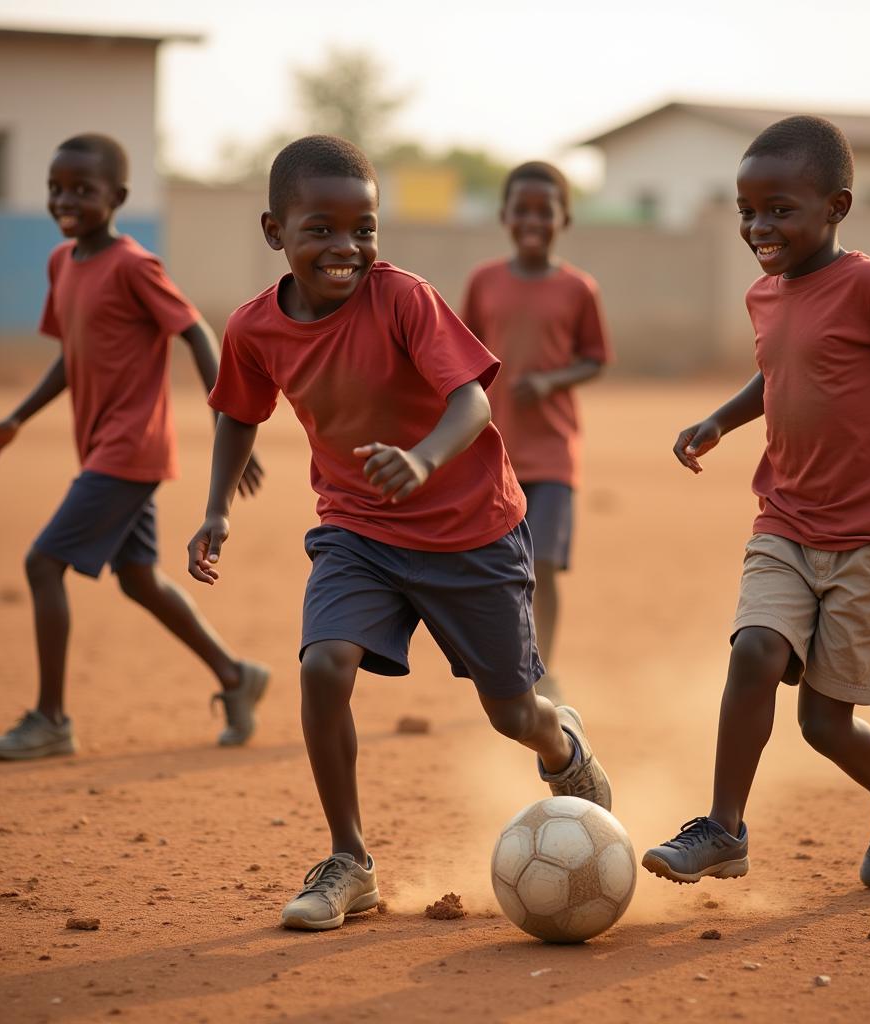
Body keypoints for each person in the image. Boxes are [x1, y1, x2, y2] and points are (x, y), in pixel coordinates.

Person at [185, 135, 612, 932]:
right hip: (358, 529)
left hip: (471, 529)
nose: (346, 247)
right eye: (321, 229)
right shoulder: (252, 329)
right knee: (323, 666)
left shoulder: (405, 298)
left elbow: (474, 402)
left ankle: (564, 748)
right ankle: (350, 860)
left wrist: (421, 461)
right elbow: (237, 412)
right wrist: (217, 508)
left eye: (364, 228)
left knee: (513, 713)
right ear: (275, 231)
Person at [643, 116, 870, 890]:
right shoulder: (763, 295)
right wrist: (720, 418)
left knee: (822, 723)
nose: (758, 227)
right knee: (753, 650)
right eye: (747, 210)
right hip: (786, 516)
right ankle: (725, 829)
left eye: (780, 209)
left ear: (836, 206)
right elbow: (777, 371)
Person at [0, 133, 269, 761]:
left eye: (83, 190)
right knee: (138, 579)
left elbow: (195, 332)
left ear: (118, 197)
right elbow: (71, 355)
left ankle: (52, 719)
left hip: (129, 448)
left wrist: (231, 416)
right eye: (57, 188)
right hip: (103, 449)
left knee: (41, 563)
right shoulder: (62, 263)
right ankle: (235, 675)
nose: (66, 200)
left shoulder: (136, 265)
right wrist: (18, 418)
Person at [461, 162, 612, 704]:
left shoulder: (578, 289)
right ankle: (508, 664)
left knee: (541, 563)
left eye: (543, 210)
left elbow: (595, 358)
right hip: (490, 450)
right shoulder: (484, 281)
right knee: (499, 568)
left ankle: (540, 667)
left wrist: (551, 380)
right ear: (504, 215)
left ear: (563, 218)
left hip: (552, 452)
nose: (531, 220)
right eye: (521, 210)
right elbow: (462, 354)